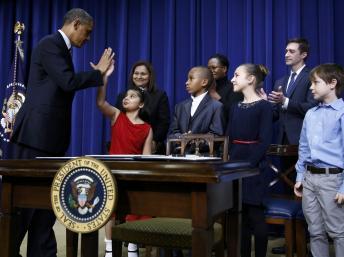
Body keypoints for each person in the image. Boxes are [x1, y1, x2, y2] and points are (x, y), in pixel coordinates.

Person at [10, 8, 114, 257]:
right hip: (35, 137)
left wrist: (99, 77)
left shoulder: (61, 48)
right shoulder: (50, 44)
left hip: (50, 139)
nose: (87, 39)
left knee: (46, 205)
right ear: (76, 24)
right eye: (87, 33)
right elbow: (67, 82)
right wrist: (98, 73)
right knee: (23, 204)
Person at [97, 63, 153, 257]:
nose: (126, 98)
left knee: (137, 203)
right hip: (112, 172)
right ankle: (110, 248)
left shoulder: (146, 128)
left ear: (142, 104)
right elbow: (101, 103)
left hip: (133, 173)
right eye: (126, 96)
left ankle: (132, 247)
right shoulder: (117, 115)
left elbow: (146, 157)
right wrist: (103, 78)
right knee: (109, 208)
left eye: (132, 96)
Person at [294, 64, 344, 257]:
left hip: (333, 180)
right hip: (309, 179)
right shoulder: (310, 114)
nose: (311, 87)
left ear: (332, 83)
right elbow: (304, 148)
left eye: (316, 83)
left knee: (338, 232)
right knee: (314, 231)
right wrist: (300, 176)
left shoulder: (341, 112)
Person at [227, 63, 273, 257]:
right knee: (241, 217)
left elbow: (265, 141)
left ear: (250, 79)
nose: (232, 79)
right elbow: (229, 136)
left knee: (255, 215)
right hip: (235, 166)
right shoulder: (235, 106)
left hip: (254, 168)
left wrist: (249, 165)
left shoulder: (264, 107)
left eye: (237, 75)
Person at [268, 38, 317, 145]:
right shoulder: (279, 81)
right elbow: (275, 114)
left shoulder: (312, 77)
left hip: (304, 138)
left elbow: (312, 108)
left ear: (303, 55)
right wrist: (263, 104)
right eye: (286, 51)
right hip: (282, 139)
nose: (286, 54)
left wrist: (285, 101)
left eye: (292, 51)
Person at [115, 61, 170, 154]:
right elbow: (118, 120)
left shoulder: (160, 95)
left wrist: (154, 141)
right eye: (136, 73)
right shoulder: (122, 96)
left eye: (143, 74)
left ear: (150, 76)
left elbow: (163, 122)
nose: (139, 77)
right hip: (126, 146)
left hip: (152, 147)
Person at [168, 66, 224, 140]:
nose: (186, 83)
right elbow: (172, 132)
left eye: (191, 79)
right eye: (187, 79)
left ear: (204, 82)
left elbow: (216, 134)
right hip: (180, 150)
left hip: (203, 151)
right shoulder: (179, 107)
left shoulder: (216, 106)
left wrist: (194, 140)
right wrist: (181, 137)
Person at [207, 53, 243, 118]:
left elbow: (234, 112)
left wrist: (214, 94)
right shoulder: (206, 88)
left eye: (214, 68)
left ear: (224, 69)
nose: (210, 71)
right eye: (208, 68)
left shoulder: (234, 87)